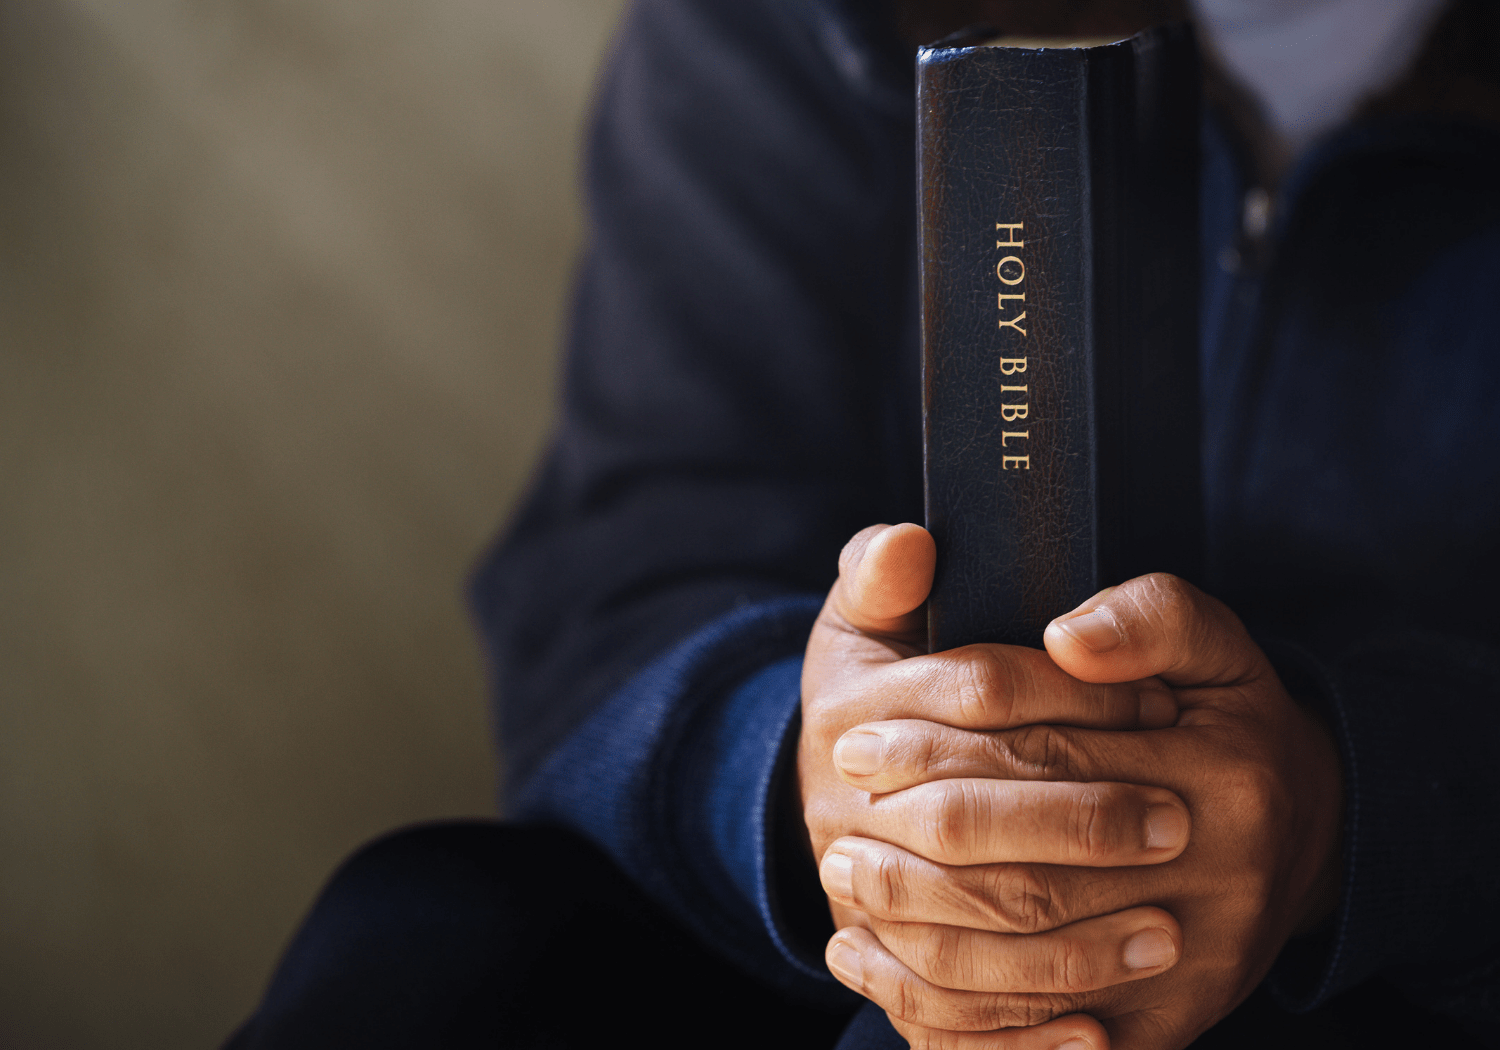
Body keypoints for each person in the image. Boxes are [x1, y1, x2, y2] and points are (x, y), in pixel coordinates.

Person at [225, 0, 1500, 1047]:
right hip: (803, 911)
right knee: (432, 929)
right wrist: (827, 783)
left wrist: (1351, 815)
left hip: (1399, 950)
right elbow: (623, 575)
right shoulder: (789, 26)